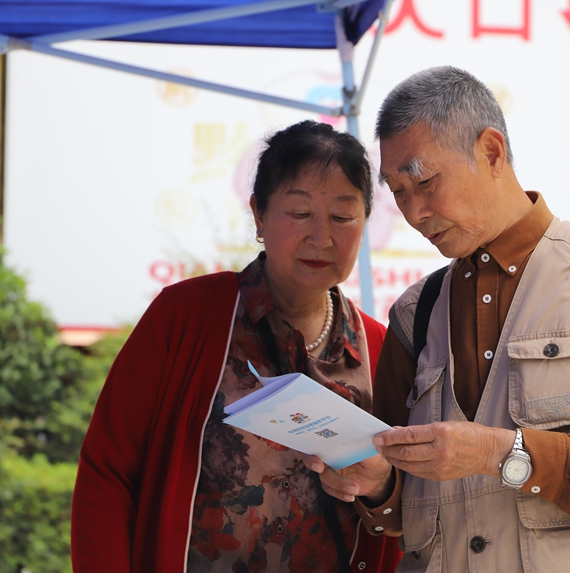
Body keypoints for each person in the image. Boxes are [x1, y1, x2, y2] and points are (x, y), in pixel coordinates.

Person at [306, 67, 570, 572]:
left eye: (424, 181)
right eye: (398, 192)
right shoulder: (412, 315)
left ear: (491, 151)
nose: (414, 212)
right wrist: (375, 481)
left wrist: (501, 453)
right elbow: (403, 509)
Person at [71, 120, 402, 573]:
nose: (321, 237)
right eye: (300, 213)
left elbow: (407, 508)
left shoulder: (379, 348)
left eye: (343, 216)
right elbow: (107, 473)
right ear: (259, 215)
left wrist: (382, 486)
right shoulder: (185, 316)